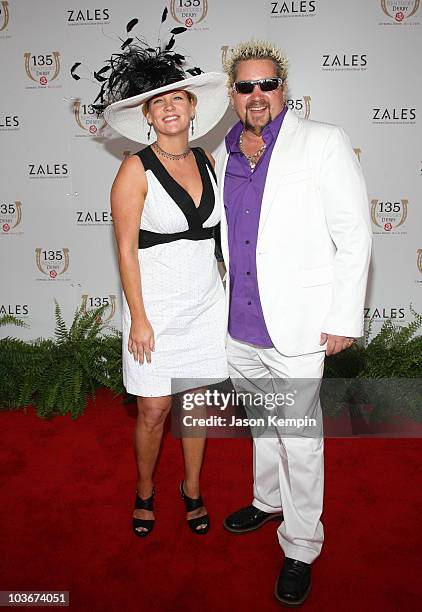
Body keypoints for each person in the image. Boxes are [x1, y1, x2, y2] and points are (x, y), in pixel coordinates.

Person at [215, 40, 372, 605]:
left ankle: (302, 544)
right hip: (239, 324)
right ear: (231, 94)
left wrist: (342, 316)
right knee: (262, 422)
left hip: (300, 324)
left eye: (267, 84)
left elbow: (355, 234)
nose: (256, 95)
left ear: (284, 87)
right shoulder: (222, 154)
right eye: (244, 86)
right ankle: (266, 500)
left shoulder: (322, 142)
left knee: (300, 439)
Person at [72, 19, 229, 537]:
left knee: (198, 406)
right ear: (147, 115)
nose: (169, 108)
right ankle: (144, 490)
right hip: (155, 311)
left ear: (192, 108)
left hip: (207, 305)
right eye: (158, 103)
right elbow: (124, 251)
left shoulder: (207, 160)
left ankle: (192, 488)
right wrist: (138, 318)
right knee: (155, 410)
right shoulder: (133, 170)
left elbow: (215, 238)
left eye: (178, 100)